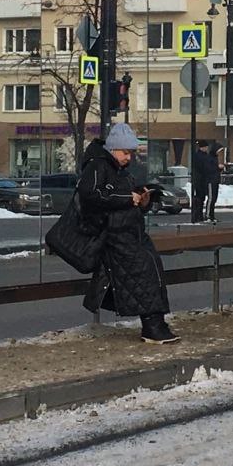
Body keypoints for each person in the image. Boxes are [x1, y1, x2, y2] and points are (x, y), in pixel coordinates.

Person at [79, 122, 179, 344]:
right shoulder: (97, 166)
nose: (129, 157)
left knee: (152, 269)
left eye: (131, 153)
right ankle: (152, 325)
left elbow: (118, 197)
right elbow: (91, 196)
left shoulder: (117, 169)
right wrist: (128, 199)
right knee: (143, 271)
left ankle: (156, 322)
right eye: (125, 152)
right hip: (115, 235)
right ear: (113, 149)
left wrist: (142, 201)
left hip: (130, 232)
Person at [191, 139, 220, 224]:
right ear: (202, 147)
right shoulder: (201, 156)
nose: (206, 148)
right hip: (201, 180)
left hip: (202, 180)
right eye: (205, 147)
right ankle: (199, 216)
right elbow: (204, 168)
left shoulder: (202, 155)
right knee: (200, 198)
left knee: (202, 198)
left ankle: (199, 216)